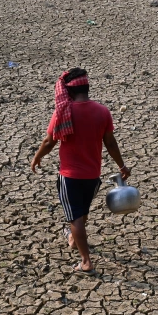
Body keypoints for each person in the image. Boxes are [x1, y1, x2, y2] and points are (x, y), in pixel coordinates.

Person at [31, 67, 131, 275]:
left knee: (75, 217)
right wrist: (122, 166)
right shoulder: (102, 111)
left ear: (68, 91)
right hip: (93, 176)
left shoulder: (63, 113)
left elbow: (50, 141)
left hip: (70, 176)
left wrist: (37, 156)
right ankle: (73, 239)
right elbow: (110, 143)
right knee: (81, 212)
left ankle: (85, 262)